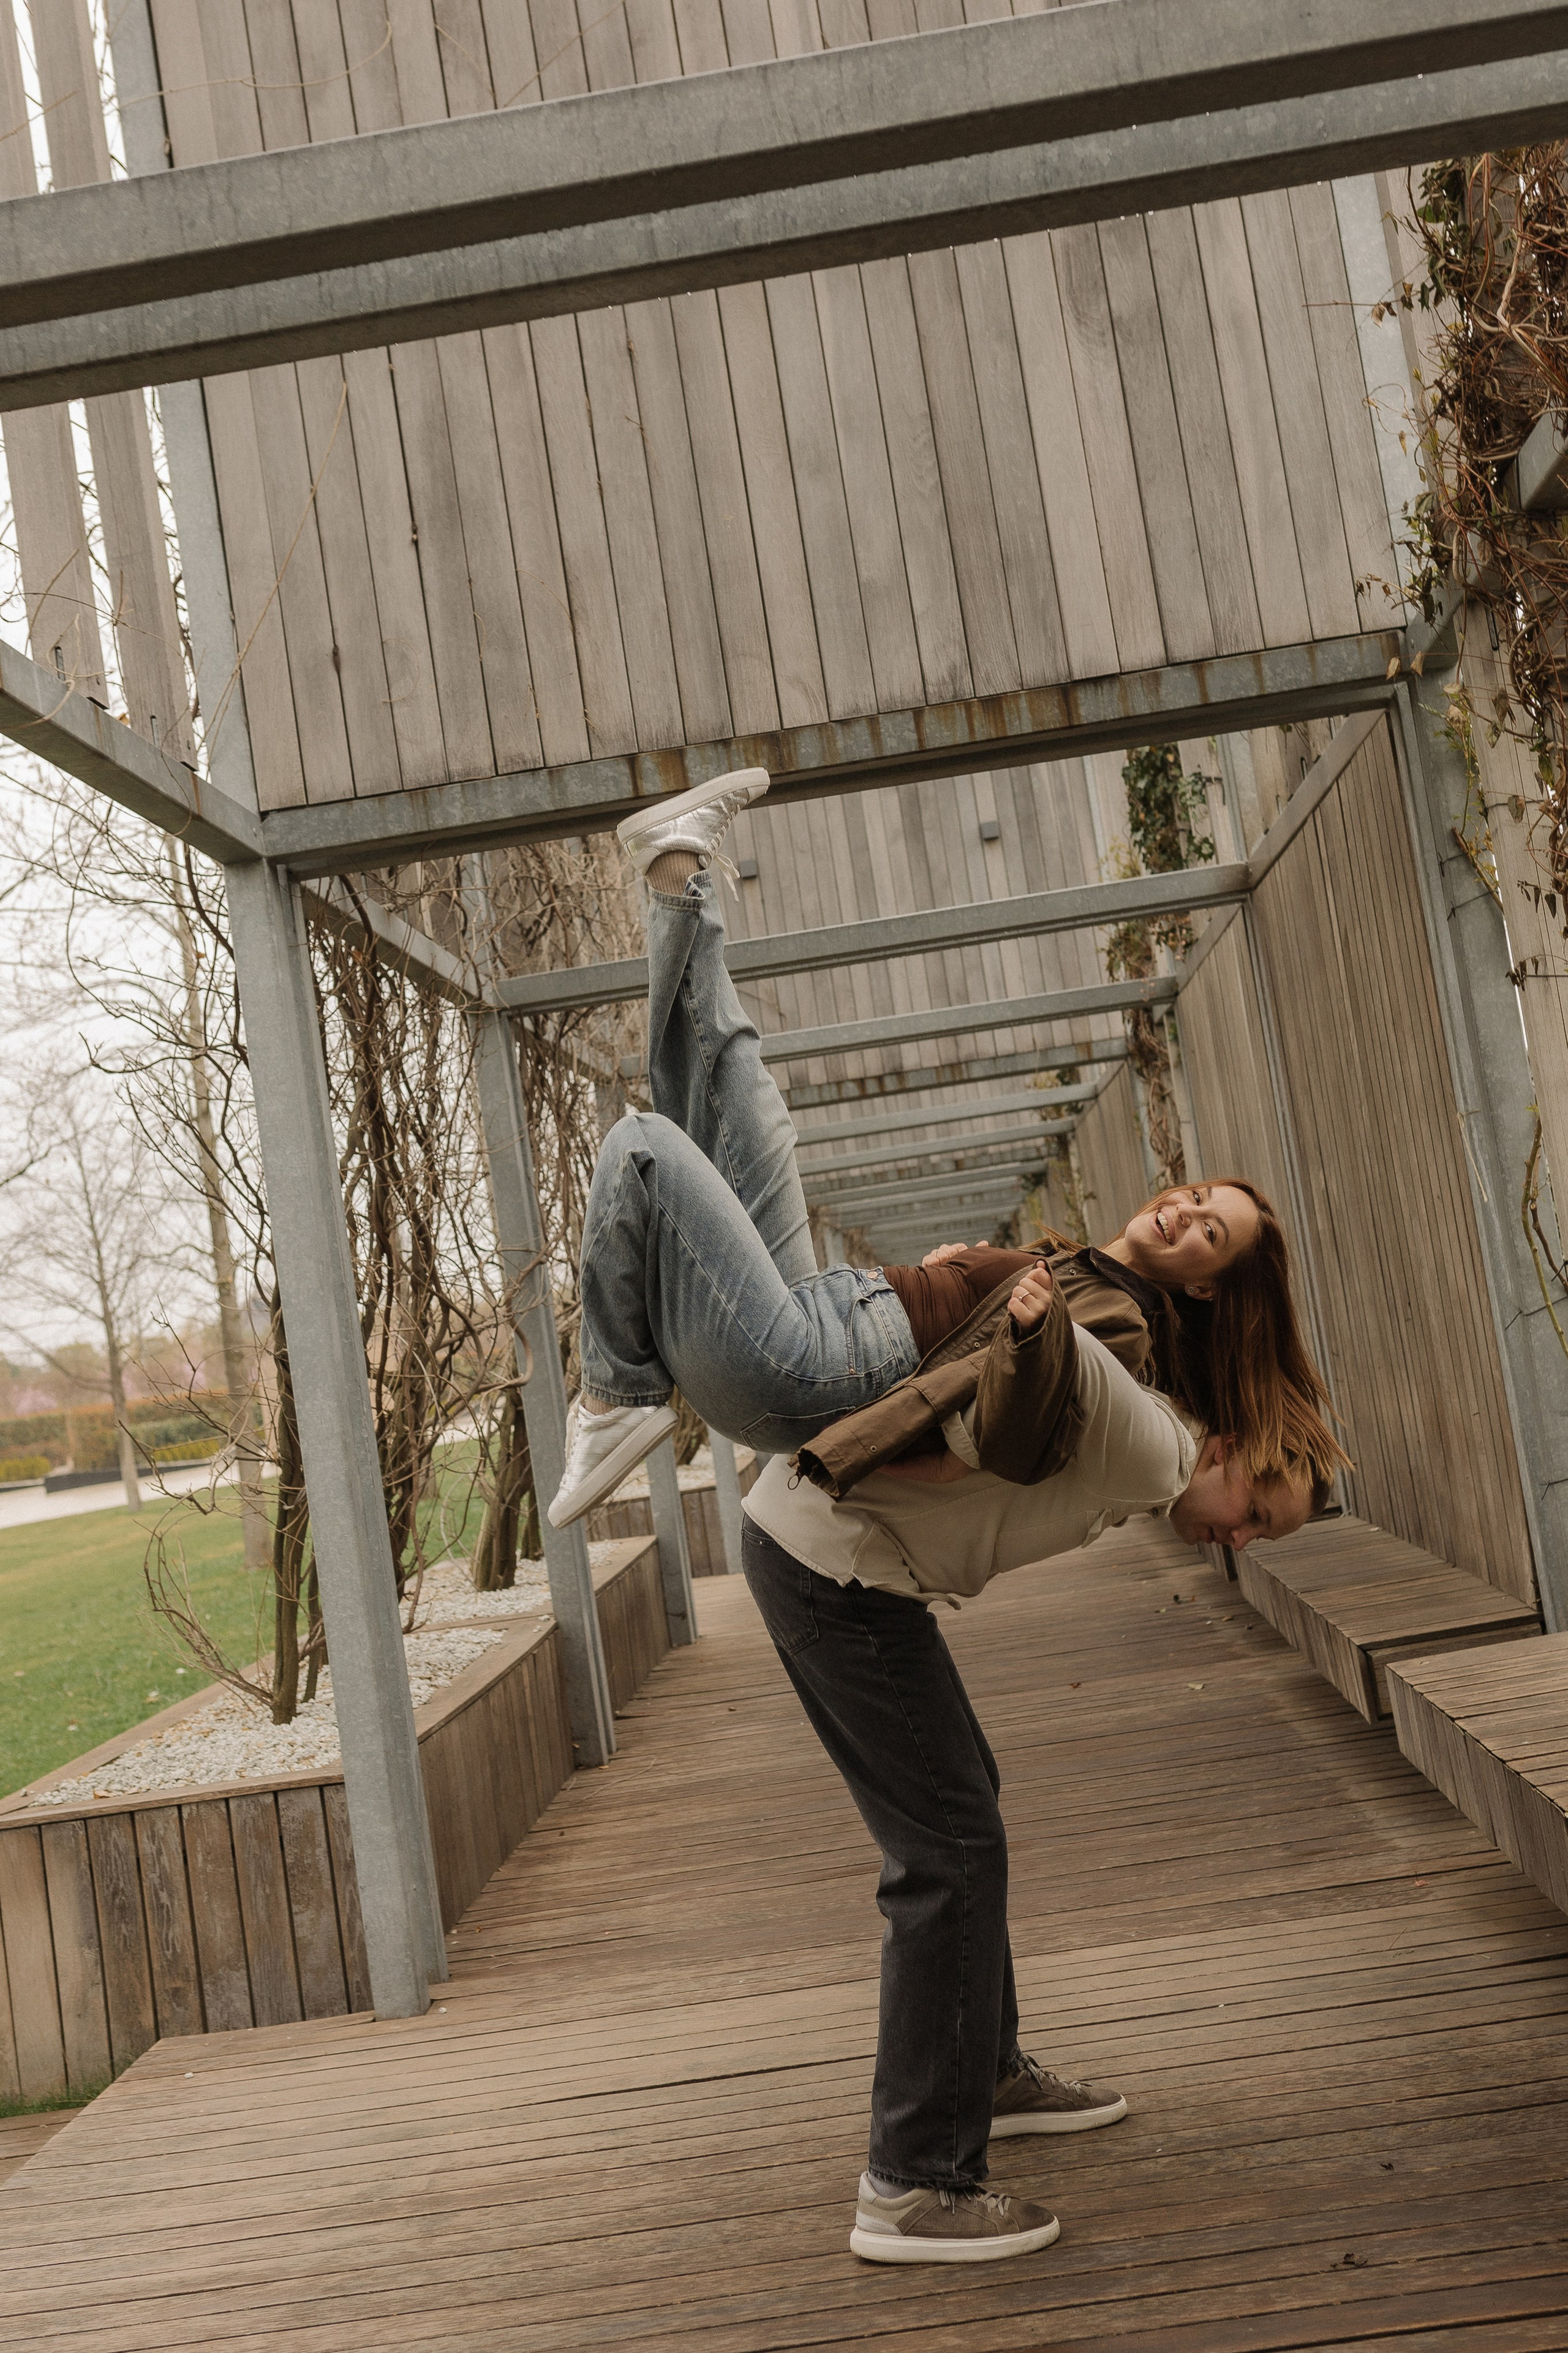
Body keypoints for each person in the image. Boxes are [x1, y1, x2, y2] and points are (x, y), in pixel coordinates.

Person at [548, 766, 1340, 1527]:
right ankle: (676, 869)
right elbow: (979, 1356)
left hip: (805, 1366)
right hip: (825, 1312)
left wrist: (1003, 1343)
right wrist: (961, 1280)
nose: (1186, 1211)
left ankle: (614, 1397)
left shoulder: (1127, 1327)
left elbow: (1004, 1445)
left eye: (1211, 1231)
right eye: (1198, 1196)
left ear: (1206, 1287)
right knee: (733, 1094)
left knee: (644, 1147)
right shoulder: (1093, 1271)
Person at [739, 1255, 1321, 2265]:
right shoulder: (1161, 1454)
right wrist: (1030, 1307)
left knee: (968, 1805)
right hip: (830, 1567)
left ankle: (986, 2069)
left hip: (850, 1564)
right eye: (1255, 1511)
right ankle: (912, 2182)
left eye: (1257, 1536)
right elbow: (1081, 1355)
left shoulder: (1159, 1462)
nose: (1238, 1538)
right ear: (1227, 1450)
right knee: (949, 1849)